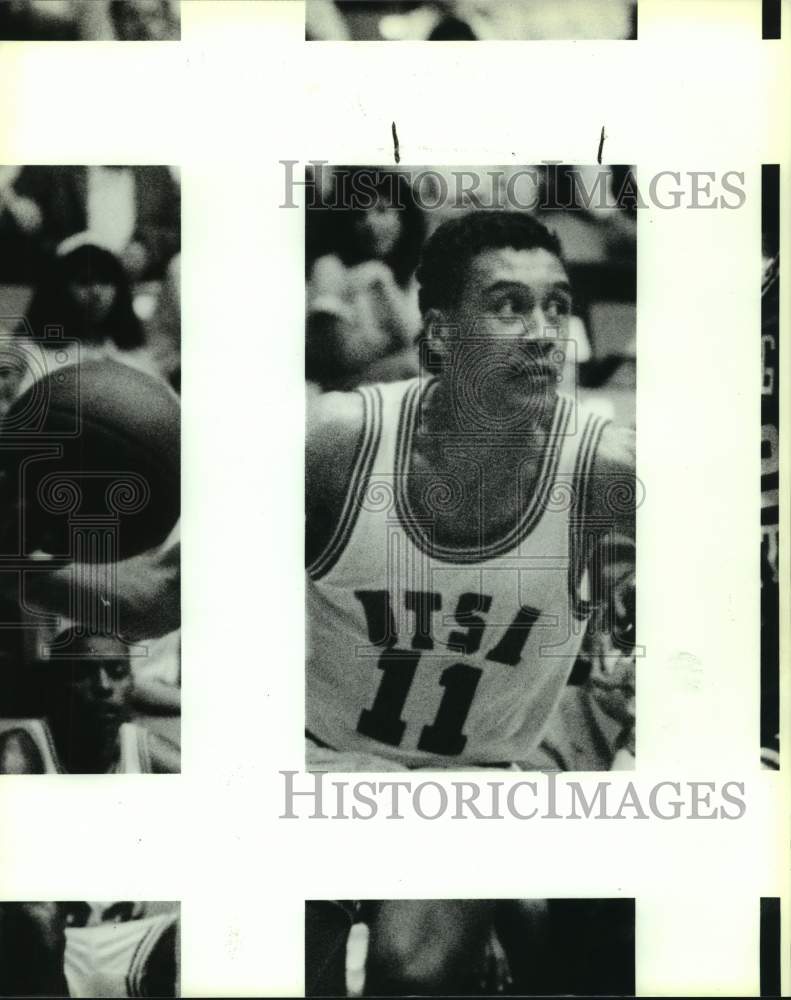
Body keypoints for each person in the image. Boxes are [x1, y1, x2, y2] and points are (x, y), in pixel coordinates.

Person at [307, 209, 635, 771]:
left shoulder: (605, 470)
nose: (542, 334)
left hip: (487, 788)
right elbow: (174, 590)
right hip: (324, 767)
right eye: (510, 306)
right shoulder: (340, 442)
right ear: (440, 332)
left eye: (556, 306)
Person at [306, 168, 424, 390]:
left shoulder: (413, 274)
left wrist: (384, 281)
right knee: (414, 366)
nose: (370, 224)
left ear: (404, 217)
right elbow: (341, 354)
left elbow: (422, 344)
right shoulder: (330, 267)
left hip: (397, 385)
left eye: (381, 210)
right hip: (343, 389)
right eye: (360, 215)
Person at [0, 633, 180, 773]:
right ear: (53, 685)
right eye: (82, 673)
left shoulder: (147, 750)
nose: (104, 685)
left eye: (117, 672)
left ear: (132, 683)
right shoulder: (19, 753)